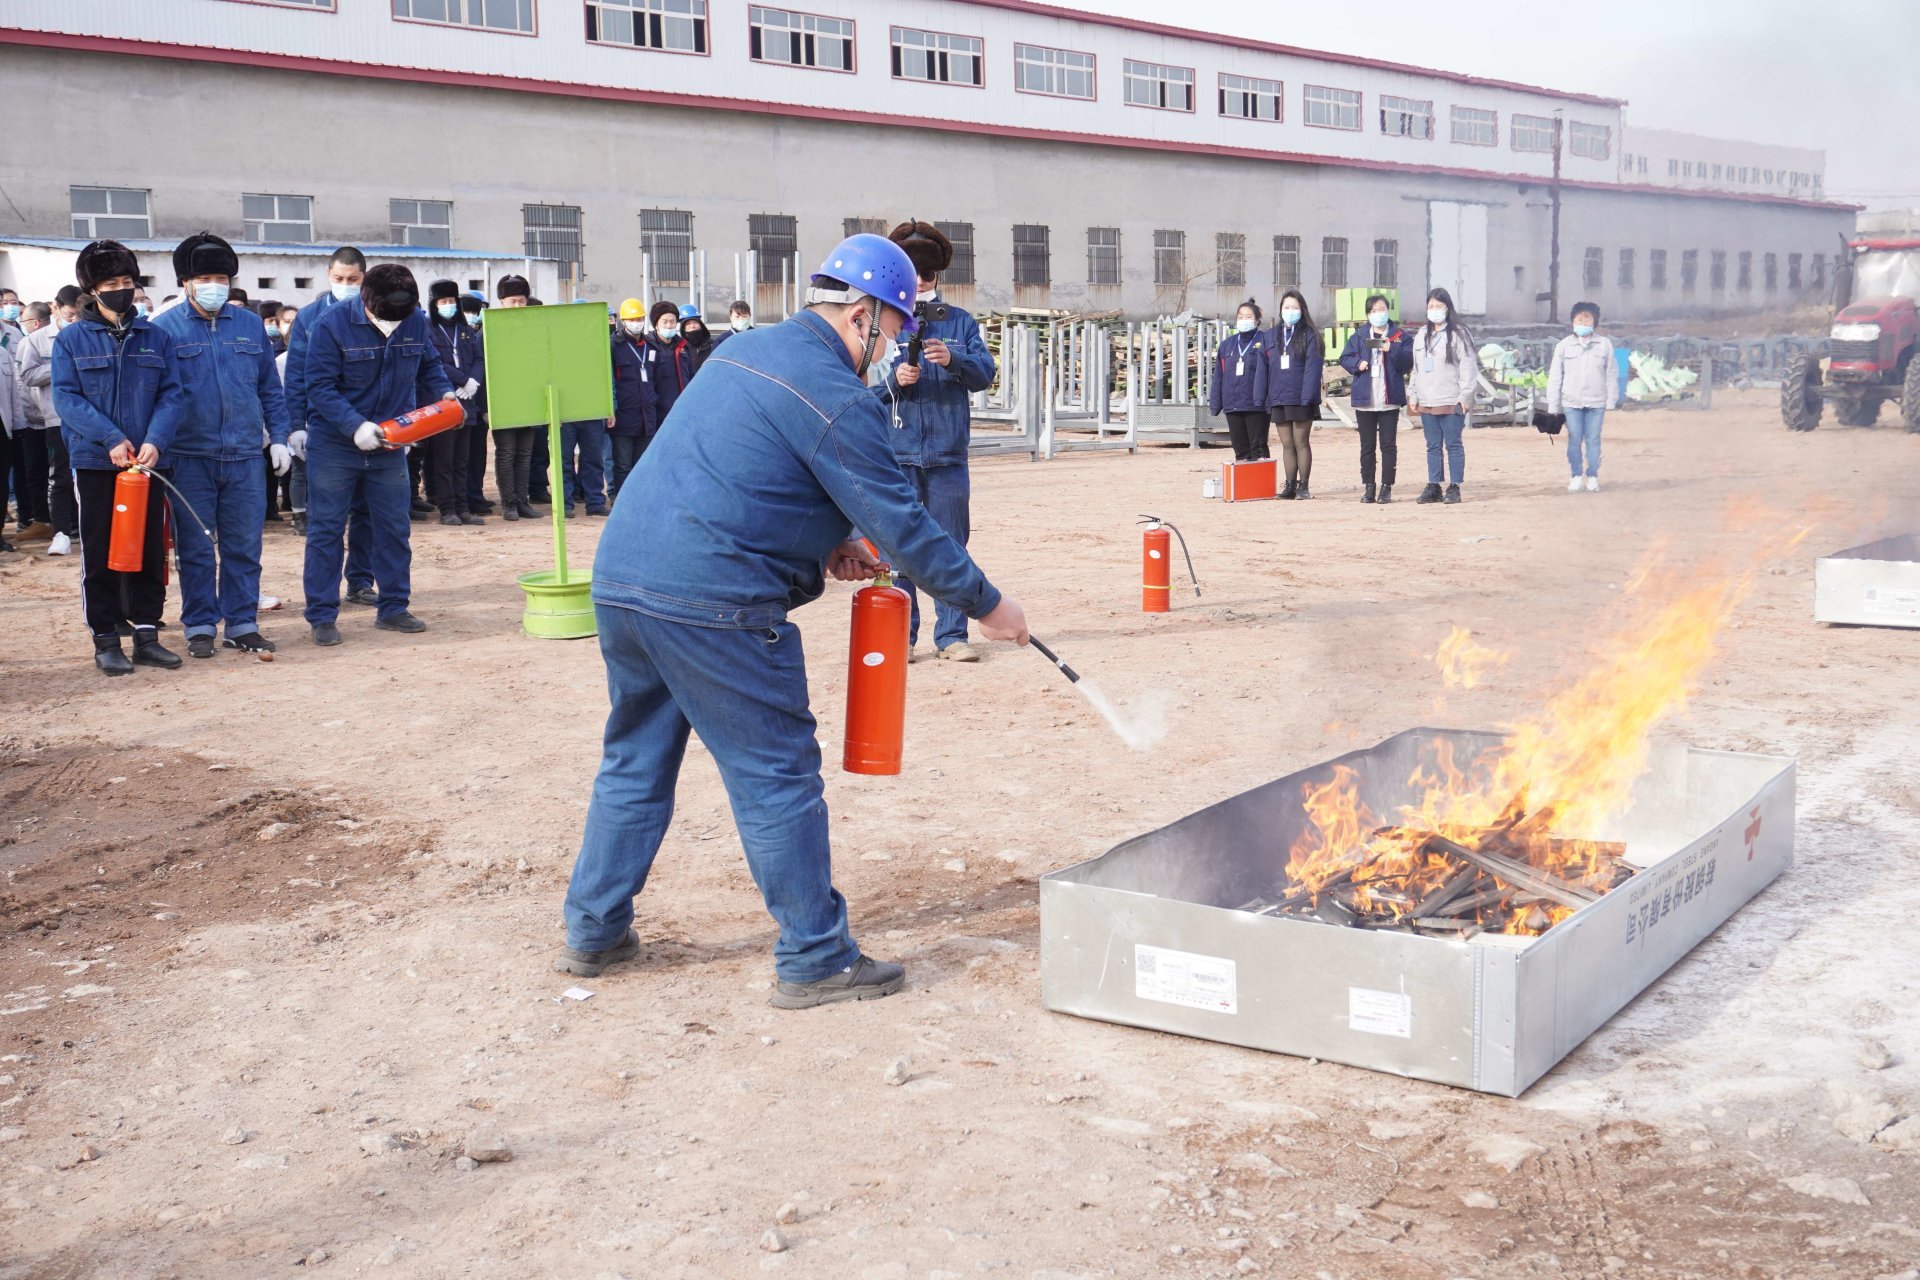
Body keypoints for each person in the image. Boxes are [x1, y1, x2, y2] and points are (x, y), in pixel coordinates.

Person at [557, 233, 1028, 1006]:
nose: (892, 350)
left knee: (635, 760)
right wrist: (987, 604)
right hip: (712, 601)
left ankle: (594, 929)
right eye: (896, 331)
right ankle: (815, 955)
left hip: (624, 582)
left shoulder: (745, 350)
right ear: (866, 315)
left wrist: (826, 544)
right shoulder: (838, 395)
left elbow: (741, 471)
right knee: (776, 772)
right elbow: (906, 527)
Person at [50, 240, 189, 675]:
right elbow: (66, 397)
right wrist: (109, 437)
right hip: (96, 462)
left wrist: (156, 439)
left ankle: (148, 634)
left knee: (150, 549)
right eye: (112, 283)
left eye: (127, 282)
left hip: (149, 463)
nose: (122, 290)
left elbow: (174, 395)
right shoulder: (71, 341)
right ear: (92, 290)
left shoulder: (156, 337)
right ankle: (106, 639)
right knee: (99, 549)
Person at [300, 263, 457, 645]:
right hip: (335, 444)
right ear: (369, 303)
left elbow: (428, 364)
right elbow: (318, 387)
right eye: (384, 318)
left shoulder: (415, 321)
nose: (392, 325)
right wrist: (354, 425)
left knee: (393, 528)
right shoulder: (331, 325)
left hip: (390, 444)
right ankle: (322, 615)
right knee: (326, 531)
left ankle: (393, 607)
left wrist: (444, 394)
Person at [151, 232, 290, 657]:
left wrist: (279, 438)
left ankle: (242, 623)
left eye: (222, 278)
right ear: (186, 282)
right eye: (206, 277)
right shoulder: (163, 329)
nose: (216, 286)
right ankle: (199, 625)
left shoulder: (248, 325)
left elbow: (270, 388)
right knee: (195, 548)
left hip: (247, 456)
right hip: (190, 459)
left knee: (244, 545)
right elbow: (157, 396)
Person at [870, 220, 1000, 664]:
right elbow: (859, 394)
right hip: (897, 453)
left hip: (946, 453)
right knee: (897, 547)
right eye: (914, 270)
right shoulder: (881, 323)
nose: (922, 280)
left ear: (938, 275)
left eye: (928, 272)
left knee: (950, 545)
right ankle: (899, 637)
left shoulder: (960, 322)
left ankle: (951, 636)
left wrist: (954, 358)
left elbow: (985, 374)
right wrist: (895, 383)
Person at [1339, 295, 1415, 504]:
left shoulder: (1400, 336)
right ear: (1368, 314)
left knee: (1388, 445)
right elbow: (1344, 357)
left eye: (1381, 309)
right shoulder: (1360, 335)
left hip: (1388, 399)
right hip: (1366, 399)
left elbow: (1409, 362)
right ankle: (1369, 486)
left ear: (1388, 311)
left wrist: (1393, 351)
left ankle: (1386, 487)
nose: (1377, 314)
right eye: (1373, 311)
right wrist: (1358, 364)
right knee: (1367, 446)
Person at [17, 302, 80, 554]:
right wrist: (62, 367)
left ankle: (79, 526)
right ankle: (61, 531)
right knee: (60, 476)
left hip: (89, 418)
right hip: (55, 418)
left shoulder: (91, 334)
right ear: (57, 309)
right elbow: (28, 376)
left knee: (88, 476)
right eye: (69, 314)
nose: (74, 319)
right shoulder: (37, 340)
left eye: (79, 314)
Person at [423, 279, 486, 526]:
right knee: (444, 461)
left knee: (463, 460)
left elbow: (479, 359)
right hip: (445, 401)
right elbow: (435, 362)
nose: (448, 305)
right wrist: (462, 381)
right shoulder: (428, 329)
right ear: (434, 304)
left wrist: (473, 382)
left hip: (468, 401)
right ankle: (447, 509)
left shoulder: (465, 329)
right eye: (443, 301)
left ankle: (464, 508)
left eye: (451, 301)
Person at [1407, 287, 1478, 505]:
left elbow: (1468, 366)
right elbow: (1416, 368)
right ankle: (1434, 485)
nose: (1435, 310)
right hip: (1427, 399)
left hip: (1451, 399)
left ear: (1448, 308)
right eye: (1431, 306)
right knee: (1432, 445)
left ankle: (1455, 486)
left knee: (1453, 444)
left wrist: (1465, 396)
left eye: (1439, 306)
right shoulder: (1421, 335)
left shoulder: (1458, 334)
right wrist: (1413, 392)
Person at [1546, 301, 1617, 494]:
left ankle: (1592, 475)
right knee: (1574, 439)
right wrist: (1553, 405)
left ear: (1595, 322)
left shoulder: (1604, 345)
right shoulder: (1564, 346)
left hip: (1596, 402)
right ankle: (1576, 475)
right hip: (1572, 402)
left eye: (1587, 319)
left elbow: (1611, 373)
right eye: (1579, 319)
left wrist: (1611, 400)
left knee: (1593, 440)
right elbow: (1555, 376)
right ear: (1572, 322)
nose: (1583, 322)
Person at [488, 277, 544, 518]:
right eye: (513, 302)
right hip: (503, 403)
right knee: (506, 452)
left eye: (522, 301)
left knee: (524, 454)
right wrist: (486, 406)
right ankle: (508, 504)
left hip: (528, 401)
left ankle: (523, 501)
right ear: (502, 302)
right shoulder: (490, 329)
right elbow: (485, 370)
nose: (518, 306)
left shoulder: (533, 330)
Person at [1266, 288, 1321, 499]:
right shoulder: (1272, 335)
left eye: (1294, 307)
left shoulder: (1310, 335)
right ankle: (1289, 486)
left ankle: (1303, 486)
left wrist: (1307, 398)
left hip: (1301, 398)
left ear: (1302, 310)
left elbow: (1312, 369)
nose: (1290, 311)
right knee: (1287, 443)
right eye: (1286, 307)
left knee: (1301, 442)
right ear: (1280, 310)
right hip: (1279, 396)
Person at [609, 297, 660, 500]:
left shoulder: (650, 345)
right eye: (632, 319)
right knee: (622, 464)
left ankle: (640, 499)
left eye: (640, 318)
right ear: (623, 321)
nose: (637, 322)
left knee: (642, 464)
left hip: (647, 416)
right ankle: (621, 500)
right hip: (624, 416)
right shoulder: (614, 345)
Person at [1207, 299, 1270, 462]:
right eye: (1240, 316)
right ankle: (1244, 486)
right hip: (1232, 404)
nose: (1243, 320)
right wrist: (1216, 403)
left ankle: (1260, 486)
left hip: (1256, 405)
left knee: (1258, 448)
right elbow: (1219, 376)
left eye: (1248, 317)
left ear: (1257, 320)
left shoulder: (1266, 341)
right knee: (1240, 450)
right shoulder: (1227, 345)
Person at [645, 300, 693, 428]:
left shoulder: (683, 346)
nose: (669, 325)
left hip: (681, 410)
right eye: (664, 321)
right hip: (657, 412)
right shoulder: (647, 346)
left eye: (672, 321)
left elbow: (690, 375)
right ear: (656, 324)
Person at [679, 304, 717, 375]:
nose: (692, 326)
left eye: (695, 322)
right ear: (683, 328)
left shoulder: (713, 345)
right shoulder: (679, 349)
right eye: (688, 324)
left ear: (701, 325)